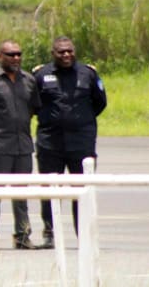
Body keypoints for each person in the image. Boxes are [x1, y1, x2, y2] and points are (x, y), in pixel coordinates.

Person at [32, 36, 107, 249]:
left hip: (81, 144)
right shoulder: (41, 75)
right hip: (50, 143)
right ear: (53, 53)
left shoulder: (88, 74)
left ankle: (83, 234)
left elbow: (100, 102)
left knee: (82, 191)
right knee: (50, 190)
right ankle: (49, 233)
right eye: (61, 52)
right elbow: (34, 104)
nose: (66, 55)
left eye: (69, 51)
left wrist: (80, 121)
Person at [0, 40, 41, 251]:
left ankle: (22, 235)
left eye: (18, 54)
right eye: (10, 55)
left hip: (23, 146)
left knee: (21, 194)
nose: (15, 58)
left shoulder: (29, 80)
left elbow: (33, 109)